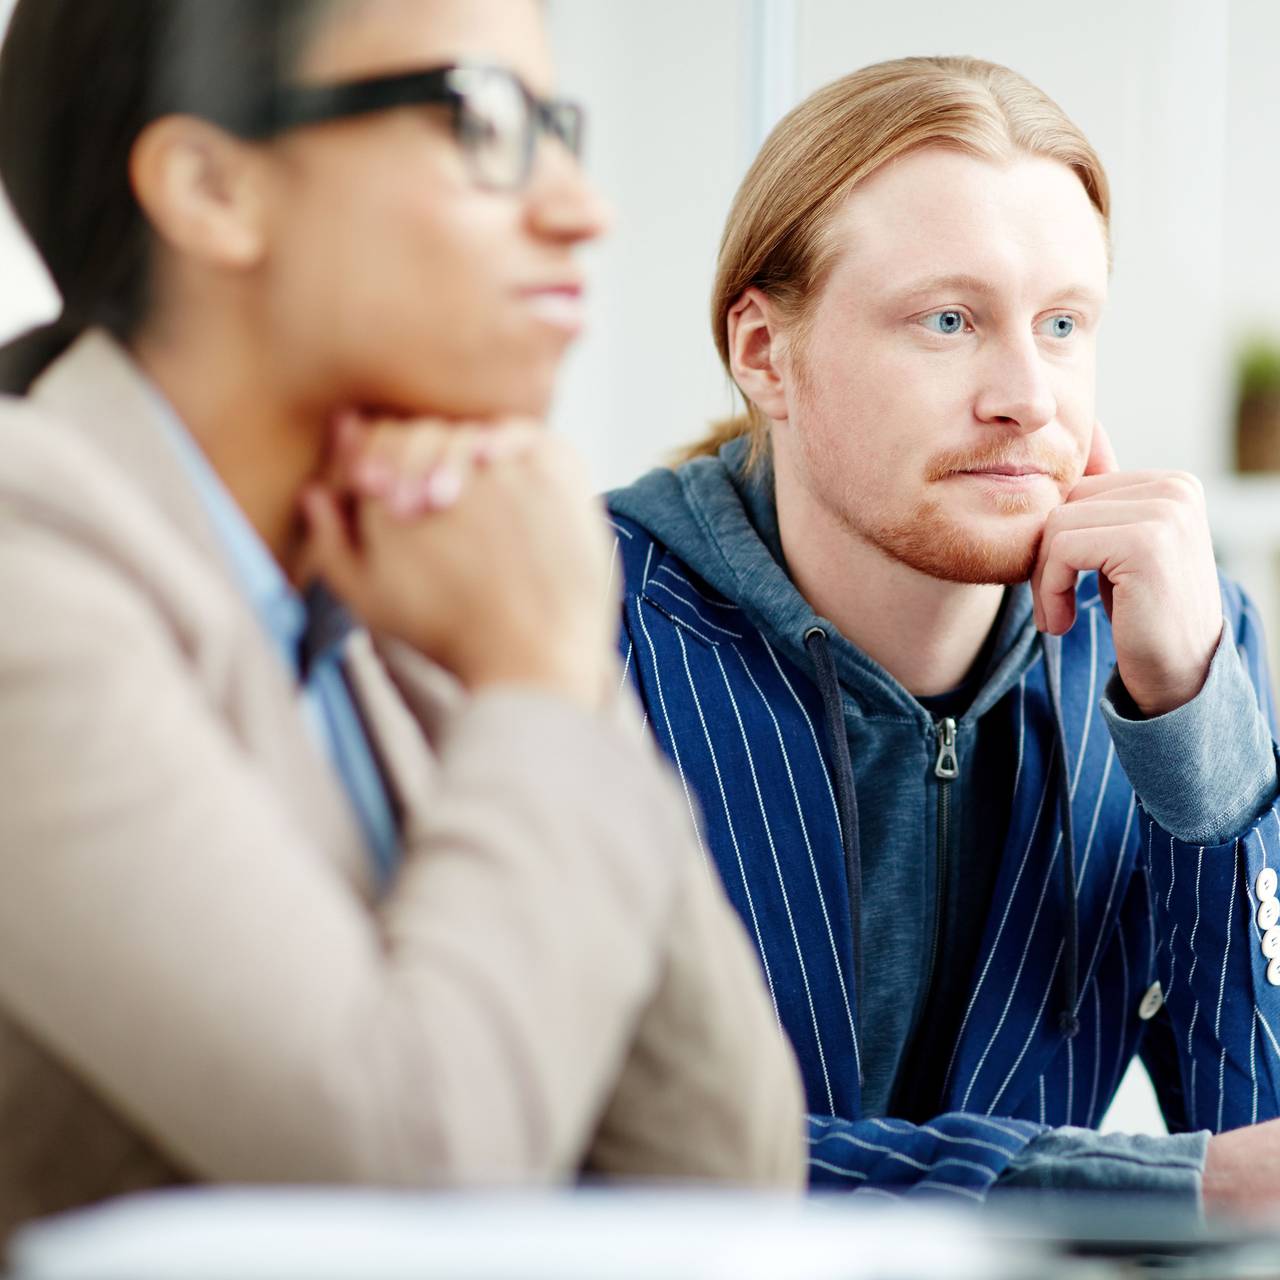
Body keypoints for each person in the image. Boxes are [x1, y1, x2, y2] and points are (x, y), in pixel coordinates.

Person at [0, 0, 805, 1239]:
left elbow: (722, 1165)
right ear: (212, 187)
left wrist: (550, 664)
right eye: (480, 119)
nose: (581, 209)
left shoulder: (403, 579)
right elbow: (408, 1177)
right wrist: (542, 675)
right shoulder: (31, 565)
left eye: (555, 127)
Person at [608, 55, 1280, 1211]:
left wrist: (1190, 716)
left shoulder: (1172, 644)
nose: (1027, 394)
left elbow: (1256, 1144)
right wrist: (1122, 1187)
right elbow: (591, 1151)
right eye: (948, 320)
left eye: (1061, 323)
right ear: (763, 353)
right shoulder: (576, 635)